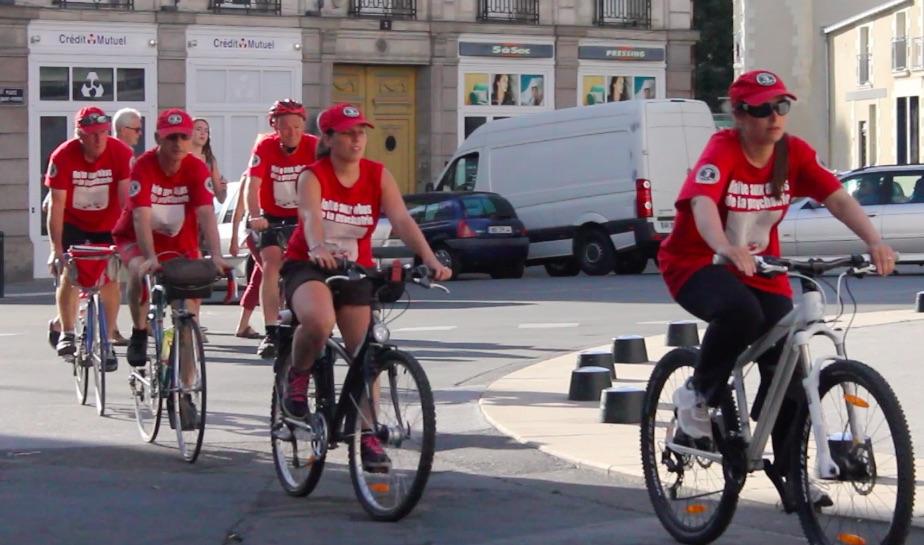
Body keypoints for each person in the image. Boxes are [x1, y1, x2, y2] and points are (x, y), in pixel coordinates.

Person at [657, 70, 895, 500]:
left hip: (761, 268)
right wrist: (726, 247)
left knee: (787, 366)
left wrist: (875, 241)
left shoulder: (793, 154)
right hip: (697, 262)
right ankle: (697, 393)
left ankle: (790, 474)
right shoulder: (723, 149)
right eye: (762, 108)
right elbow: (703, 203)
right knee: (740, 313)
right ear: (739, 114)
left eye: (781, 106)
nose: (774, 117)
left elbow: (837, 198)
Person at [280, 103, 451, 467]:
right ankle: (297, 377)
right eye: (347, 132)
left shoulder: (377, 175)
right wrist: (317, 246)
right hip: (308, 264)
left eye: (361, 131)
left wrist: (430, 259)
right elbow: (310, 217)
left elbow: (402, 220)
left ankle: (368, 435)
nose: (357, 138)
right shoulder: (314, 174)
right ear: (328, 138)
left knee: (366, 353)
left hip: (355, 268)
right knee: (319, 321)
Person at [112, 108, 230, 369]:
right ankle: (140, 331)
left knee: (187, 313)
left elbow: (207, 214)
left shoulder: (196, 167)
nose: (178, 143)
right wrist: (150, 257)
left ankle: (187, 388)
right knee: (137, 270)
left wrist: (217, 256)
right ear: (158, 138)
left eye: (184, 137)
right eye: (171, 137)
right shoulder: (143, 165)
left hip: (180, 242)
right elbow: (140, 217)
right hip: (136, 237)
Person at [45, 106, 134, 369]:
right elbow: (56, 206)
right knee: (70, 272)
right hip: (73, 222)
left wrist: (128, 242)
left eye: (103, 133)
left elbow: (125, 201)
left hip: (108, 223)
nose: (98, 140)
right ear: (79, 134)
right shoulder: (63, 156)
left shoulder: (121, 153)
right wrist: (55, 249)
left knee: (110, 279)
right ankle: (68, 332)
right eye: (92, 134)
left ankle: (106, 342)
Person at [246, 99, 319, 359]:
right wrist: (255, 216)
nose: (292, 133)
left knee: (316, 265)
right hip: (273, 217)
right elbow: (252, 185)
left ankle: (317, 320)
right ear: (274, 126)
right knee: (271, 264)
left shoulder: (313, 145)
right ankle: (271, 330)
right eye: (285, 127)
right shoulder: (265, 146)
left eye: (297, 126)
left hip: (304, 216)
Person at [229, 170, 263, 338]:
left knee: (258, 278)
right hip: (255, 232)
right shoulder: (250, 175)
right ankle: (280, 321)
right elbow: (239, 210)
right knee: (275, 274)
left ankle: (243, 326)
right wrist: (234, 239)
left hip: (273, 231)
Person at [191, 117, 228, 204]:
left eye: (206, 130)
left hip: (206, 212)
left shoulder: (210, 160)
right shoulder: (179, 157)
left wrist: (224, 187)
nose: (203, 133)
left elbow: (221, 198)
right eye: (198, 129)